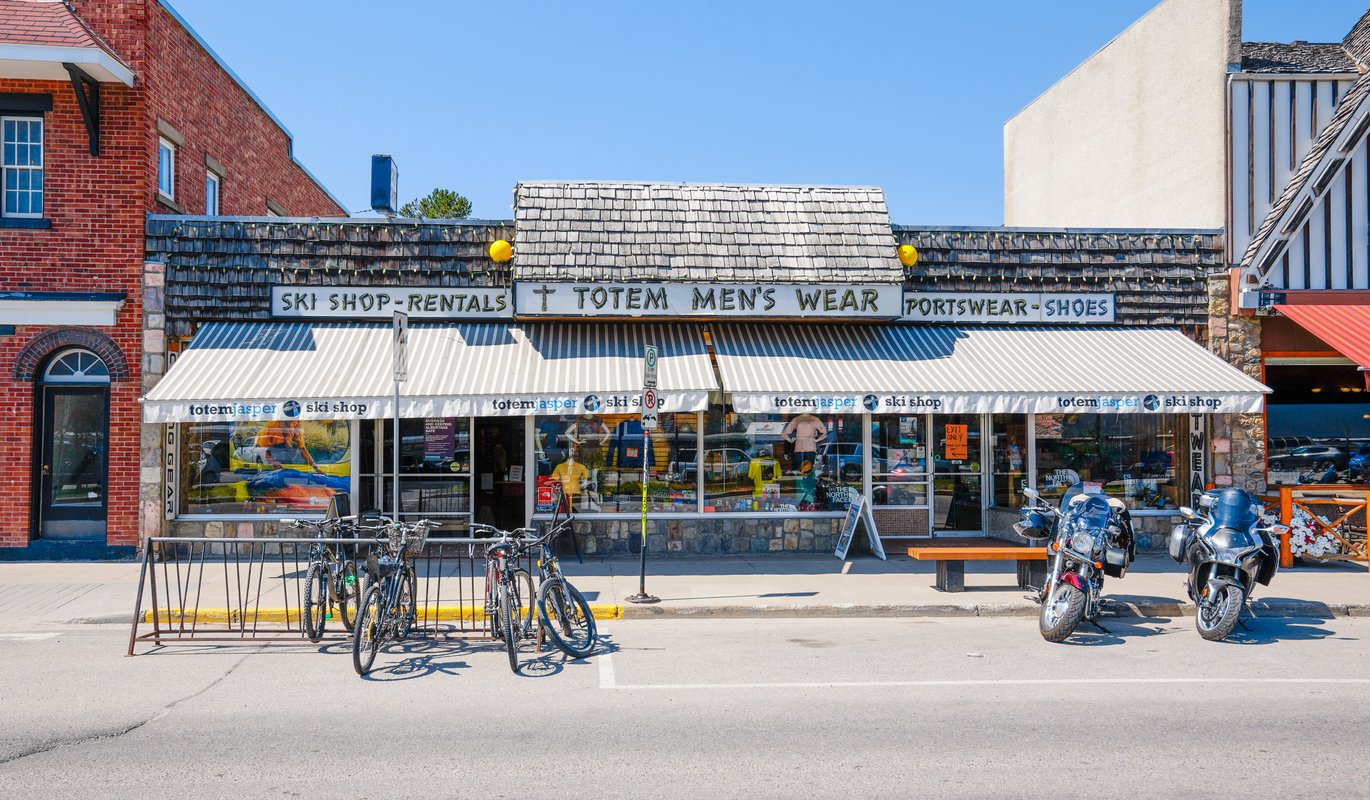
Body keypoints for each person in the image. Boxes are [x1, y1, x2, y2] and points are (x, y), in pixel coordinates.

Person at [248, 420, 320, 472]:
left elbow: (302, 450)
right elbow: (261, 450)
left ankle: (287, 464)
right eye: (290, 423)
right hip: (263, 447)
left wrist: (316, 468)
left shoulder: (297, 428)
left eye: (295, 421)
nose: (292, 425)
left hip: (283, 444)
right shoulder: (270, 427)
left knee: (294, 446)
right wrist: (274, 463)